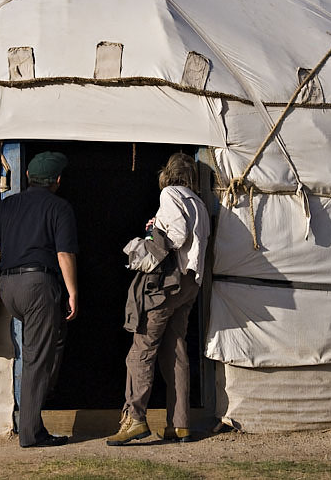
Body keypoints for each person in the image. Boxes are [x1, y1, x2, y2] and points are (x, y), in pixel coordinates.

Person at [0, 151, 78, 448]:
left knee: (49, 345)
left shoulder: (8, 205)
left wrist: (12, 237)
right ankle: (32, 433)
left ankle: (38, 407)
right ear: (57, 181)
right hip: (37, 285)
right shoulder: (59, 208)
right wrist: (73, 291)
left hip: (8, 287)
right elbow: (64, 253)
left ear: (29, 177)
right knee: (36, 360)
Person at [107, 152, 210, 446]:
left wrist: (152, 238)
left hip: (167, 285)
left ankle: (135, 419)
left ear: (168, 174)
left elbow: (176, 235)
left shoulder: (170, 193)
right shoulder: (199, 203)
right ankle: (179, 425)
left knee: (140, 350)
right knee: (175, 352)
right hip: (190, 285)